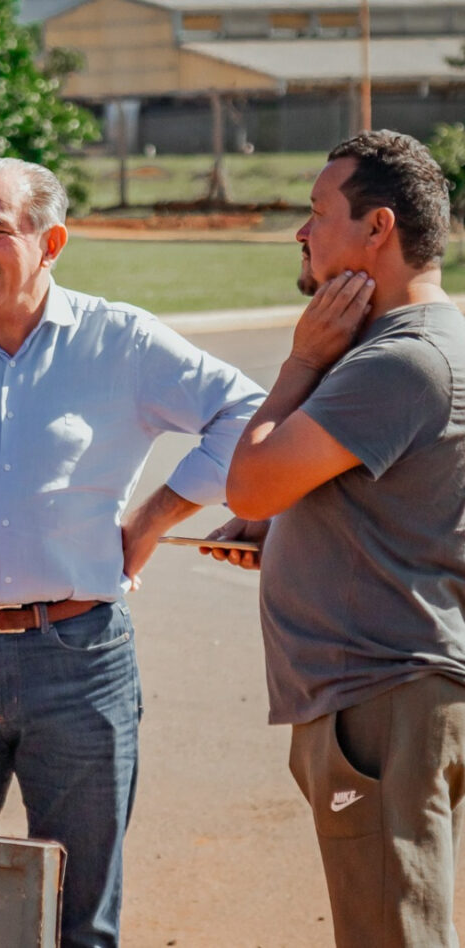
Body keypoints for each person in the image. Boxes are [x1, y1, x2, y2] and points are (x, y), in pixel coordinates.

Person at [0, 157, 265, 946]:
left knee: (79, 919)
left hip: (81, 663)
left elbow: (246, 412)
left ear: (51, 240)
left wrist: (158, 516)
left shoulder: (121, 341)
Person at [214, 130, 465, 947]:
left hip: (383, 694)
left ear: (377, 228)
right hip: (400, 690)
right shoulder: (433, 346)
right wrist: (293, 523)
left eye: (319, 212)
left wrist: (300, 363)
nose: (303, 231)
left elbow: (248, 480)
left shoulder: (401, 361)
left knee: (392, 935)